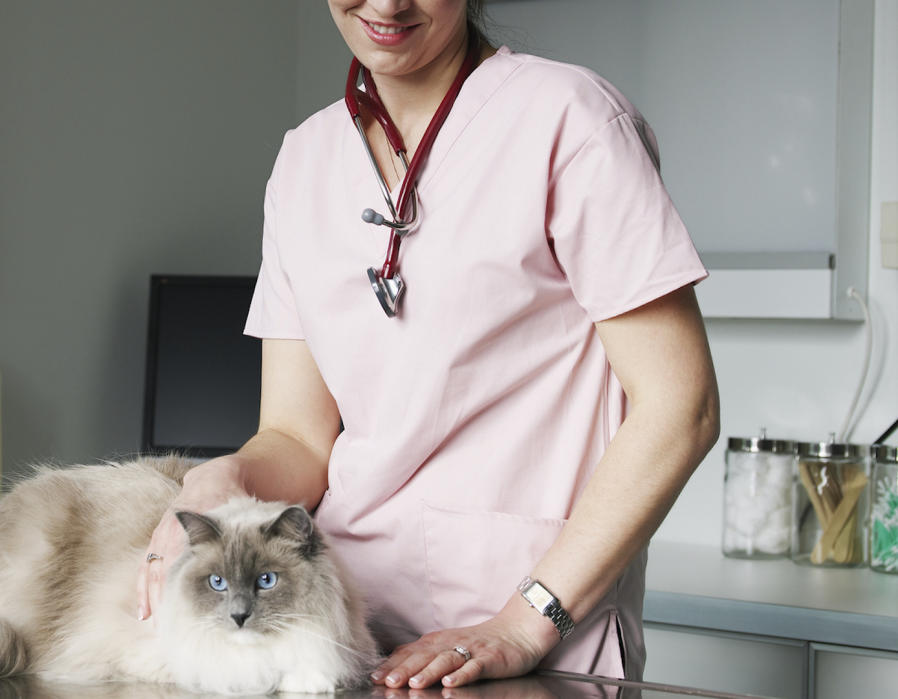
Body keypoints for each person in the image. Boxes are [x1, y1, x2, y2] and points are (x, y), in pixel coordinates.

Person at [137, 0, 719, 689]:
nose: (387, 4)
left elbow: (681, 407)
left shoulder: (569, 120)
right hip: (340, 632)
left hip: (536, 636)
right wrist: (228, 476)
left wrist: (523, 622)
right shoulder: (304, 160)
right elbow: (297, 436)